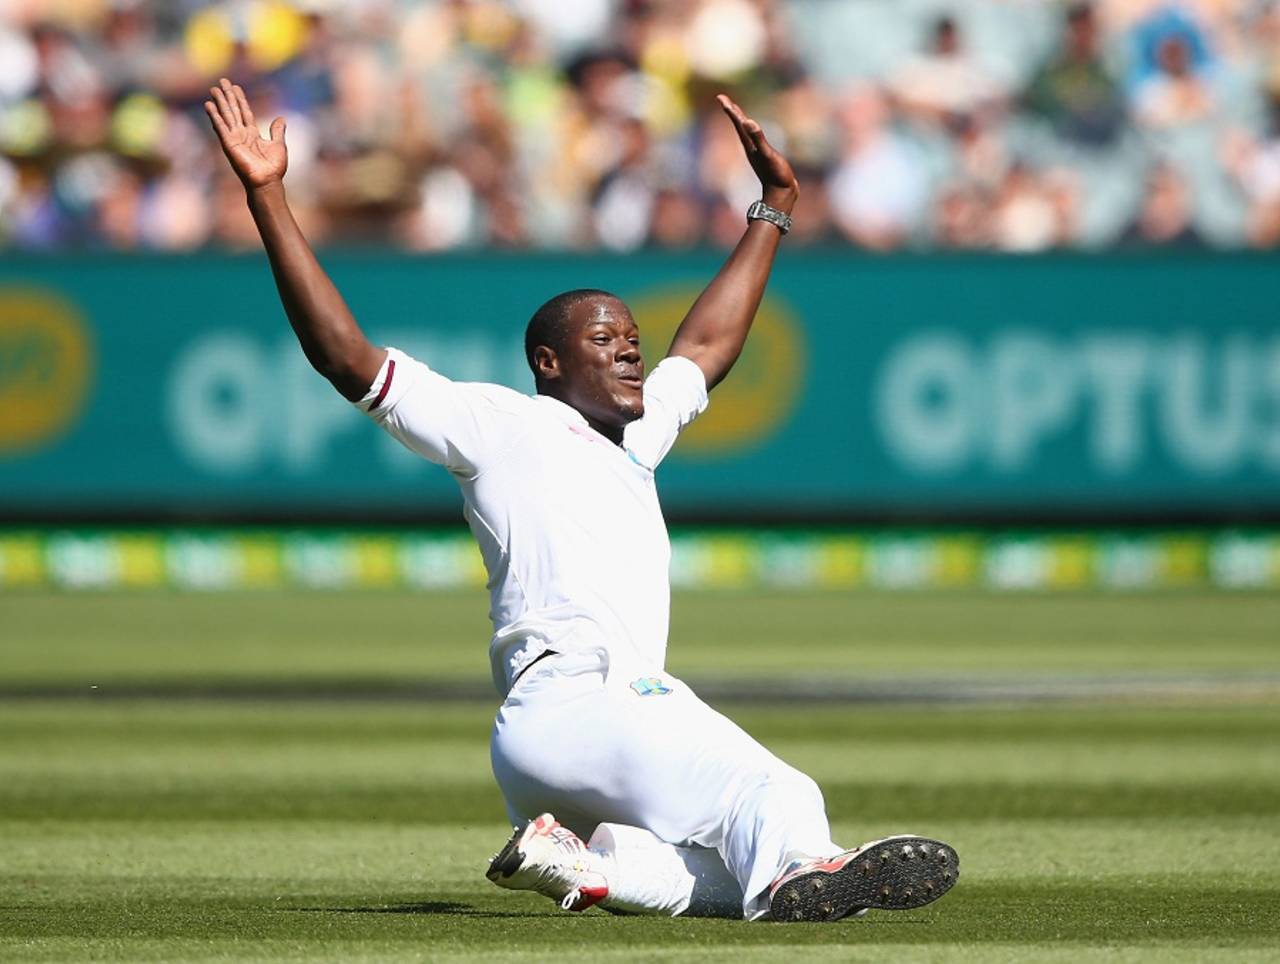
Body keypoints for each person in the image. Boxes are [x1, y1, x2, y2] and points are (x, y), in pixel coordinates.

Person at [203, 78, 959, 923]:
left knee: (703, 874)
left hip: (545, 752)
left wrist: (773, 206)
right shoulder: (503, 425)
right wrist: (268, 195)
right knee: (776, 793)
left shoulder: (637, 437)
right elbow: (347, 358)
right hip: (592, 699)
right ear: (550, 363)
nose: (630, 352)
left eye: (633, 340)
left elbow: (705, 345)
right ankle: (806, 862)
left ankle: (586, 866)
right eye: (605, 341)